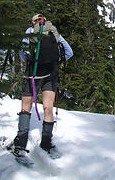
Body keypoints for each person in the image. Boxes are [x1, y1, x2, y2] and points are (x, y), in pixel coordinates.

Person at [11, 14, 73, 156]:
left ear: (34, 22)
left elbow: (22, 50)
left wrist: (29, 61)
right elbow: (69, 52)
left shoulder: (30, 31)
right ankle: (46, 144)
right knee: (48, 107)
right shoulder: (53, 31)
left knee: (26, 106)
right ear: (44, 20)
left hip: (33, 71)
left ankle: (20, 145)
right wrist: (56, 63)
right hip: (51, 73)